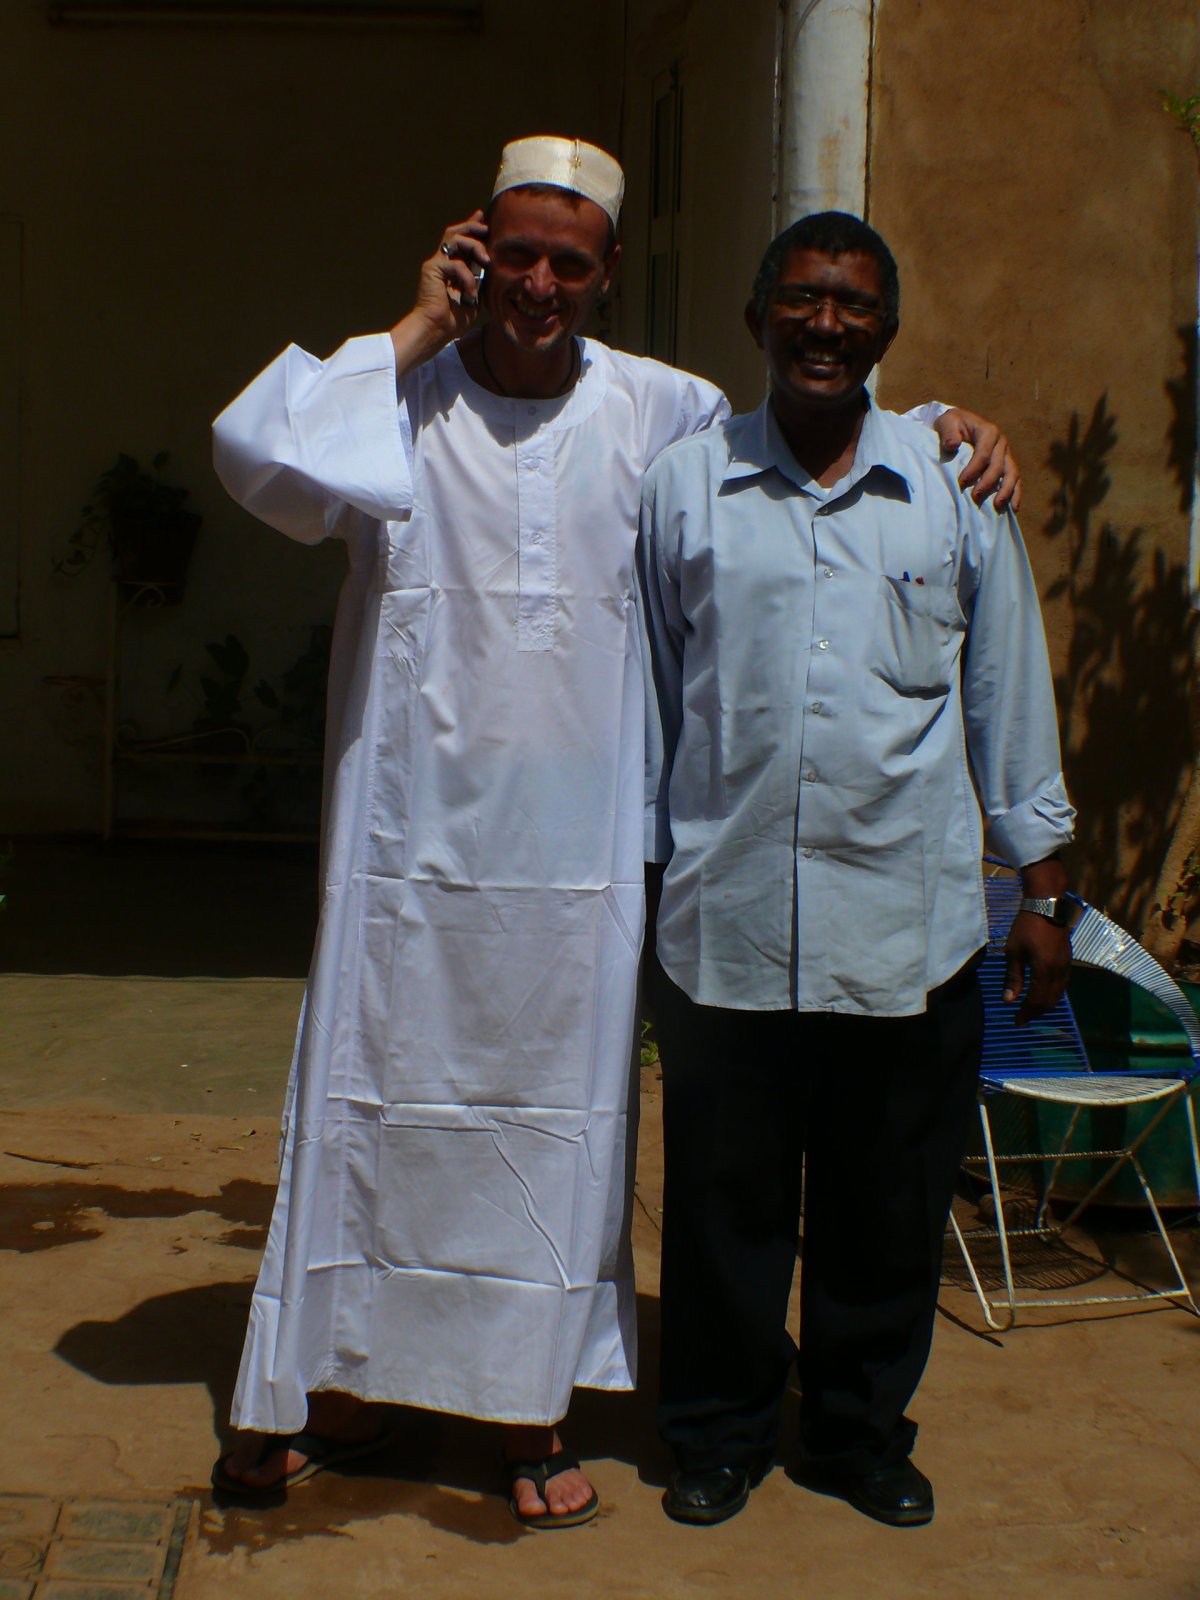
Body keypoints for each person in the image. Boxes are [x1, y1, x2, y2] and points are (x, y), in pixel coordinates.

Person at [210, 139, 1021, 1527]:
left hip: (579, 864)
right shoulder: (395, 402)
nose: (539, 284)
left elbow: (807, 434)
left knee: (551, 1133)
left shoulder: (662, 412)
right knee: (373, 1119)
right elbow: (253, 454)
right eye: (515, 254)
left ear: (609, 275)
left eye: (568, 263)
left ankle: (527, 1410)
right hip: (404, 856)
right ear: (474, 248)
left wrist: (948, 425)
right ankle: (335, 1387)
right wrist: (415, 325)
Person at [638, 211, 1075, 1530]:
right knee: (725, 1208)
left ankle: (855, 1433)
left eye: (854, 305)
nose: (826, 324)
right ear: (756, 317)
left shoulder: (955, 485)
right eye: (802, 299)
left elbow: (1008, 692)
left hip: (905, 923)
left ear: (887, 331)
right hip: (727, 924)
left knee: (886, 1206)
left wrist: (1046, 892)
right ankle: (717, 1430)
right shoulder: (686, 487)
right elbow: (654, 703)